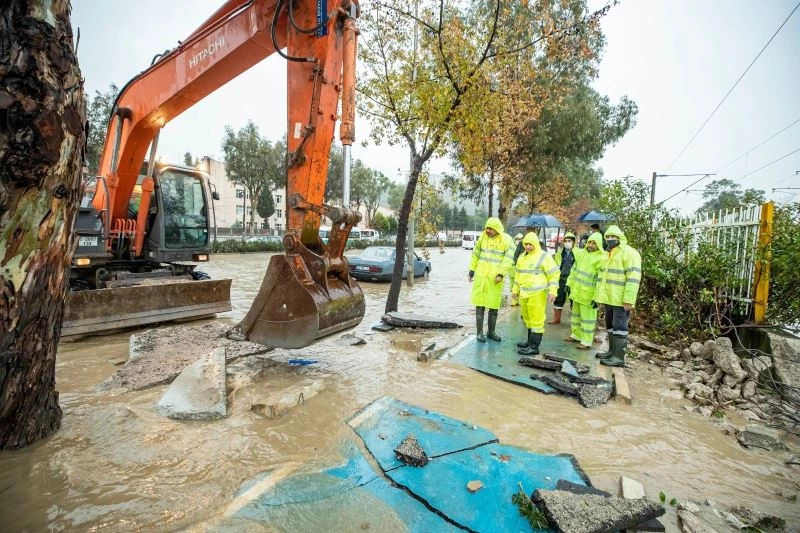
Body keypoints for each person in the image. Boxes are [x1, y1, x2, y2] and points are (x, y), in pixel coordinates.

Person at [594, 225, 642, 367]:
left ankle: (618, 357)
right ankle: (611, 351)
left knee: (620, 326)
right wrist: (598, 296)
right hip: (609, 297)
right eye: (608, 237)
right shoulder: (607, 253)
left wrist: (628, 299)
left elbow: (633, 278)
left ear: (620, 237)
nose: (610, 239)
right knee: (610, 325)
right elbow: (603, 277)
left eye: (613, 237)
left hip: (621, 300)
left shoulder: (629, 253)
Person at [469, 217, 515, 342]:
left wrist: (501, 274)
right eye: (487, 228)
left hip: (495, 279)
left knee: (494, 306)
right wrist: (472, 270)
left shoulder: (507, 240)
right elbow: (475, 254)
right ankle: (479, 333)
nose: (488, 231)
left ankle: (491, 332)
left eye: (490, 229)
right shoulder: (482, 237)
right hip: (481, 276)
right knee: (480, 305)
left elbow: (508, 259)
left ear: (497, 229)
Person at [513, 233, 560, 355]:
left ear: (536, 244)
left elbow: (554, 274)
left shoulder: (544, 256)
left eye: (531, 244)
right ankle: (529, 342)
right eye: (526, 244)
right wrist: (515, 289)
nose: (528, 247)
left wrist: (553, 291)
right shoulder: (522, 257)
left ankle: (534, 347)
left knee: (537, 321)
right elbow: (517, 275)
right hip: (524, 294)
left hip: (537, 294)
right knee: (528, 319)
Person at [565, 232, 606, 349]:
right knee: (576, 317)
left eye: (594, 243)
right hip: (577, 292)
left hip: (589, 295)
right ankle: (576, 335)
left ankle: (586, 341)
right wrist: (569, 284)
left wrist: (597, 297)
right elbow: (574, 271)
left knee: (587, 319)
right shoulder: (582, 254)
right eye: (590, 242)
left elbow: (601, 281)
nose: (591, 245)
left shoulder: (601, 258)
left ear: (599, 245)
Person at [548, 232, 577, 324]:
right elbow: (556, 266)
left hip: (573, 280)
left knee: (574, 300)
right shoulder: (560, 253)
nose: (567, 243)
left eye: (569, 241)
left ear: (573, 242)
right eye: (565, 241)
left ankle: (575, 322)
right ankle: (556, 319)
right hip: (561, 279)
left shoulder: (578, 253)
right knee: (558, 298)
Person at [509, 233, 524, 306]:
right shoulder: (512, 246)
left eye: (520, 239)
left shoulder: (522, 246)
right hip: (512, 269)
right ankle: (514, 301)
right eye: (517, 239)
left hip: (519, 270)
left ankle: (519, 301)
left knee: (520, 286)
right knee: (512, 287)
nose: (518, 240)